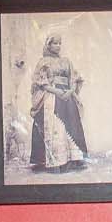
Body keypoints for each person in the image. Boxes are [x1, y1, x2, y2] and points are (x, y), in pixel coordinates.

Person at [26, 33, 89, 172]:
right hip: (51, 96)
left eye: (60, 43)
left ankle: (73, 158)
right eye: (55, 43)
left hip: (67, 96)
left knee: (71, 124)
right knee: (54, 126)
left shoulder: (66, 61)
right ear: (48, 45)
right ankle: (53, 160)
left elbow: (74, 79)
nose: (58, 46)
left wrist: (70, 91)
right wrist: (57, 92)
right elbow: (40, 82)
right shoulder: (43, 62)